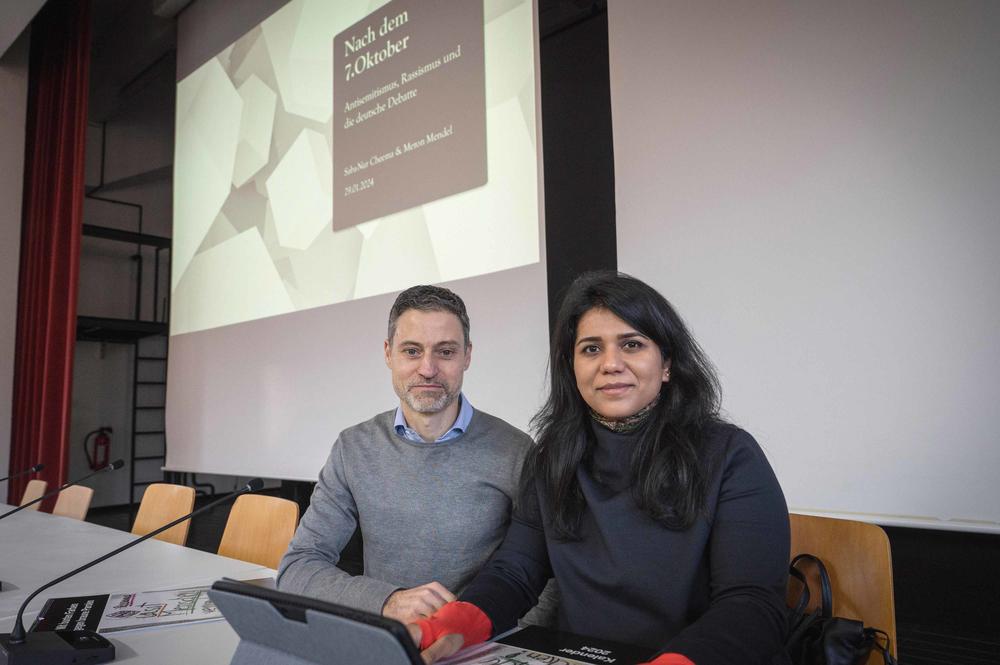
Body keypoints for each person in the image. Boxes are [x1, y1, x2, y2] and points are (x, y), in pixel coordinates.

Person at [412, 272, 791, 665]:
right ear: (572, 367)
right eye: (591, 349)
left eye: (632, 344)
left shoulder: (730, 454)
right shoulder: (552, 456)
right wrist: (445, 627)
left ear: (667, 364)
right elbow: (514, 573)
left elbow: (752, 607)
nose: (611, 364)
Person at [278, 285, 554, 625]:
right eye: (411, 351)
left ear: (467, 355)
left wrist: (500, 643)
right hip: (386, 640)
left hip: (477, 647)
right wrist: (388, 603)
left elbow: (545, 579)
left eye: (446, 352)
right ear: (388, 353)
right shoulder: (353, 448)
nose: (427, 368)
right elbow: (298, 567)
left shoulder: (516, 451)